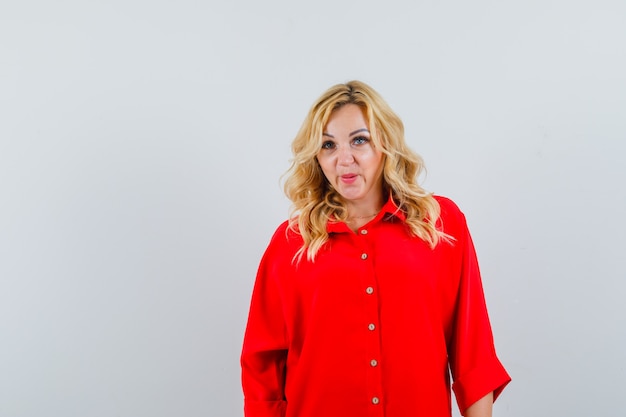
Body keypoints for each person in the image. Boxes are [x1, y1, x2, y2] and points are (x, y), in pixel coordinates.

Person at [241, 80, 511, 417]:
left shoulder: (439, 225)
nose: (344, 159)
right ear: (317, 157)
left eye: (359, 140)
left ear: (385, 145)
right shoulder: (290, 243)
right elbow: (262, 370)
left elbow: (473, 354)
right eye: (328, 145)